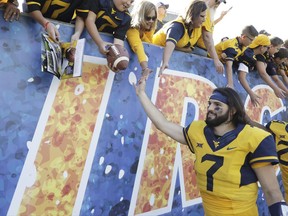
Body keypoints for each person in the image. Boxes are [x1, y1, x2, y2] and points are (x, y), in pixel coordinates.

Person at [134, 73, 287, 215]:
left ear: (232, 111)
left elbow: (271, 192)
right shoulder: (199, 131)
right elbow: (163, 124)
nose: (210, 109)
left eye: (217, 106)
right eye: (210, 104)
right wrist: (141, 94)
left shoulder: (254, 137)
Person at [152, 0, 207, 76]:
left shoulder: (197, 29)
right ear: (193, 15)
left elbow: (190, 49)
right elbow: (170, 44)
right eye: (202, 16)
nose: (204, 19)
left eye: (205, 16)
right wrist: (165, 62)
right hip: (152, 53)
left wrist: (176, 48)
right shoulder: (178, 26)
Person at [26, 0, 90, 42]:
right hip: (33, 25)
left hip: (60, 31)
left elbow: (81, 16)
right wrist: (46, 23)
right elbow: (33, 8)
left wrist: (77, 33)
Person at [236, 34, 271, 107]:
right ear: (261, 47)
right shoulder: (248, 56)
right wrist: (251, 93)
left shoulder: (251, 53)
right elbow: (241, 77)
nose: (267, 50)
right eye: (267, 47)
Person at [191, 0, 225, 73]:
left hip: (200, 49)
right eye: (217, 2)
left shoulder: (209, 11)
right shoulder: (205, 9)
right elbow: (207, 36)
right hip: (197, 49)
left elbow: (209, 26)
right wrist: (216, 60)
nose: (218, 5)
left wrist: (220, 18)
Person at [126, 0, 157, 74]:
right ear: (139, 16)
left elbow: (149, 44)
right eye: (148, 18)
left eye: (154, 18)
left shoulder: (149, 29)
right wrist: (145, 68)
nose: (151, 21)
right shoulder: (131, 29)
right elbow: (137, 46)